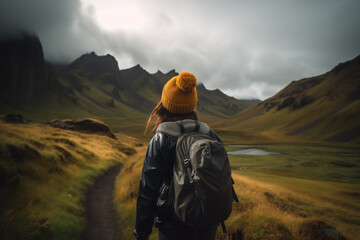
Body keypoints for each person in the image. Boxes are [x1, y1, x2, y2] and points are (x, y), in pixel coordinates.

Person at [134, 72, 225, 240]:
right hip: (208, 223)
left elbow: (148, 190)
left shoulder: (160, 140)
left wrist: (142, 233)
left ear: (166, 104)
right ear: (192, 105)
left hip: (172, 226)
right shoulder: (211, 135)